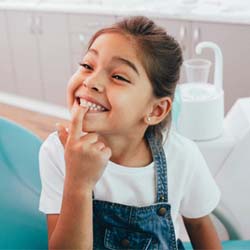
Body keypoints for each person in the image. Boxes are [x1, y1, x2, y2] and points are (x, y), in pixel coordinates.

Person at [39, 16, 222, 249]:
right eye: (87, 65)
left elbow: (199, 225)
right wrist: (78, 183)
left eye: (118, 76)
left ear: (156, 110)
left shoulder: (183, 155)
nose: (91, 81)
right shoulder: (57, 151)